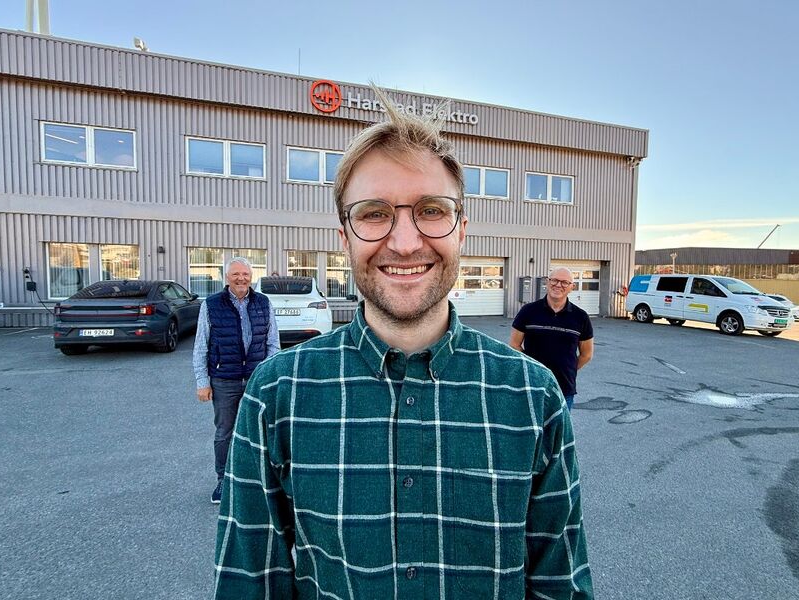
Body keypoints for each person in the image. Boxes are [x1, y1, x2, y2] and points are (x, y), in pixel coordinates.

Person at [213, 92, 593, 599]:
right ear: (344, 237)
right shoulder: (276, 396)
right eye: (373, 214)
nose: (406, 242)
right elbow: (248, 584)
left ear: (462, 231)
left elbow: (559, 585)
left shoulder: (533, 396)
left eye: (432, 210)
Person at [193, 257, 280, 504]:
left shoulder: (263, 302)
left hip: (256, 380)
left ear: (251, 276)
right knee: (225, 432)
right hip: (224, 380)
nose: (241, 278)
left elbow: (272, 342)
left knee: (260, 431)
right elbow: (201, 346)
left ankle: (260, 479)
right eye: (235, 274)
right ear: (226, 278)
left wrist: (270, 377)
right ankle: (224, 480)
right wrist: (203, 381)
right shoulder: (211, 305)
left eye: (245, 274)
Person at [509, 266, 594, 409]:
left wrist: (569, 369)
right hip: (532, 386)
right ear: (548, 282)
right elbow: (514, 345)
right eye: (554, 280)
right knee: (530, 430)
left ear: (571, 287)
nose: (558, 285)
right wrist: (532, 369)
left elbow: (587, 354)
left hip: (563, 389)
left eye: (564, 282)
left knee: (558, 431)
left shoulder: (581, 317)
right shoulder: (528, 311)